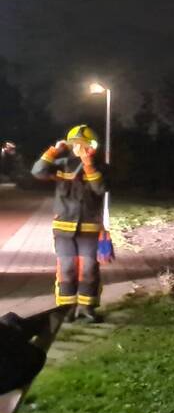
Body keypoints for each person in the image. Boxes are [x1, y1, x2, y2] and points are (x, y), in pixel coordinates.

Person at [31, 125, 107, 323]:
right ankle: (67, 308)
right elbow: (37, 171)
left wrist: (88, 164)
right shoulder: (62, 164)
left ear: (92, 147)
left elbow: (99, 189)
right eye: (75, 144)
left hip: (89, 228)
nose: (79, 148)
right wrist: (54, 150)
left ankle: (87, 308)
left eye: (83, 145)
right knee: (66, 269)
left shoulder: (99, 167)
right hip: (63, 228)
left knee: (89, 269)